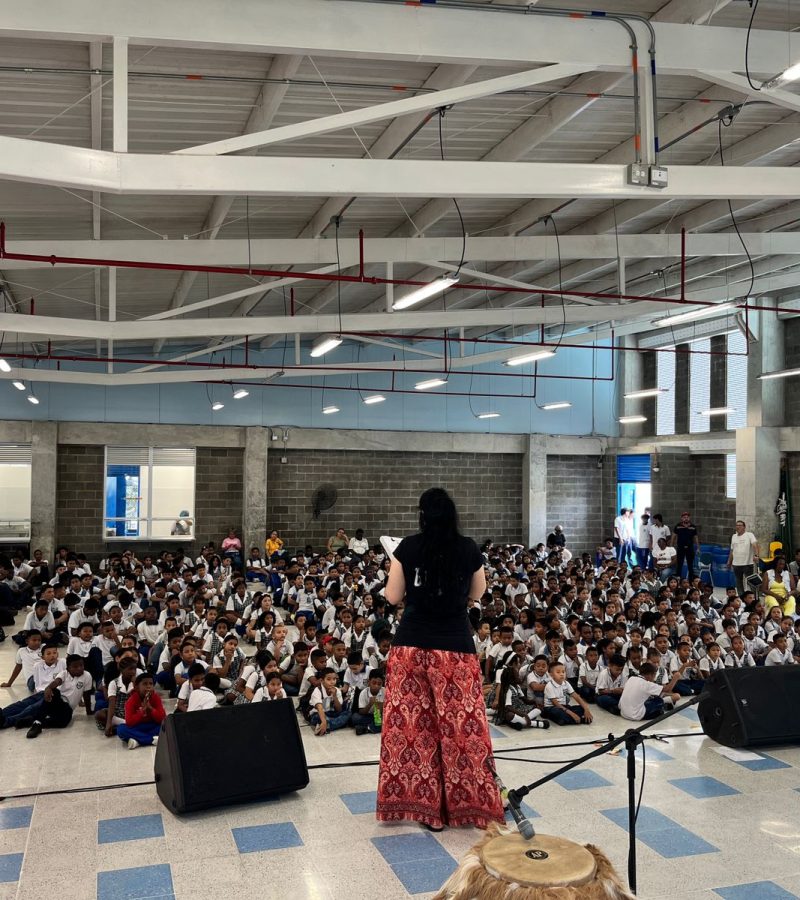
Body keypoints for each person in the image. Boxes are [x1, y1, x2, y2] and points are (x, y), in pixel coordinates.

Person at [377, 487, 504, 831]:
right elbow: (478, 593)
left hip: (411, 647)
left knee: (414, 730)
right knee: (463, 730)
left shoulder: (407, 547)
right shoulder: (467, 549)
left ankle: (426, 810)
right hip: (455, 649)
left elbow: (392, 596)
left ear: (422, 515)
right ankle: (469, 806)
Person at [619, 661, 686, 721]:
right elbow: (667, 690)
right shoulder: (647, 684)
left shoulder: (631, 678)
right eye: (654, 675)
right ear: (651, 674)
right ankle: (664, 704)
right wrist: (675, 678)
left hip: (623, 713)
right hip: (636, 716)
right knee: (658, 701)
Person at [117, 672, 165, 749]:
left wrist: (151, 709)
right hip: (137, 727)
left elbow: (162, 719)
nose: (148, 686)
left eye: (151, 684)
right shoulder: (131, 701)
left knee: (165, 726)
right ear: (137, 687)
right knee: (121, 729)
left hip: (152, 725)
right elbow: (129, 722)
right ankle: (151, 740)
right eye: (145, 684)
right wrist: (142, 711)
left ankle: (137, 740)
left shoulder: (156, 697)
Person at [727, 521, 759, 597]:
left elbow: (755, 545)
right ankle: (742, 597)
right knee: (738, 582)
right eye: (737, 525)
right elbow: (732, 550)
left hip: (747, 564)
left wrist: (756, 555)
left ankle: (754, 597)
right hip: (736, 564)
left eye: (740, 525)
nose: (738, 527)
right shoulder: (734, 536)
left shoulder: (749, 535)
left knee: (750, 581)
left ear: (744, 527)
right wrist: (729, 561)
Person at [672, 511, 699, 580]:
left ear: (689, 518)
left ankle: (691, 580)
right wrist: (671, 546)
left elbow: (696, 537)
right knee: (679, 564)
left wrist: (698, 548)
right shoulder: (678, 526)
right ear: (681, 518)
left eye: (687, 517)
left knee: (690, 565)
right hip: (680, 548)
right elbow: (674, 536)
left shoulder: (693, 527)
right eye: (684, 517)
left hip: (690, 548)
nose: (686, 518)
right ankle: (678, 579)